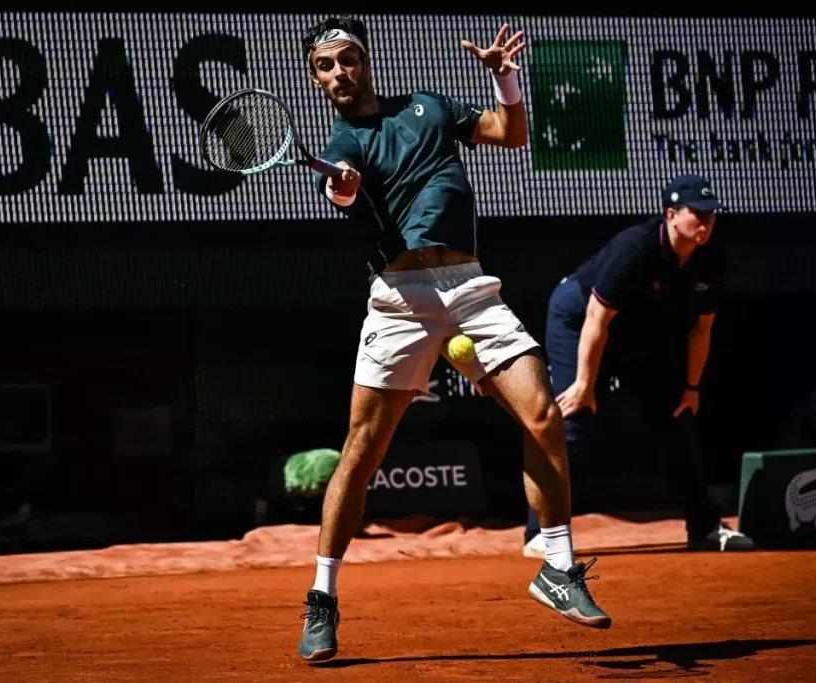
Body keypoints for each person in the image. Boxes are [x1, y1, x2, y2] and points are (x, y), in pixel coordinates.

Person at [296, 16, 611, 663]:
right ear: (315, 79)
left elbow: (510, 134)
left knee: (543, 415)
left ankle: (557, 566)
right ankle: (322, 598)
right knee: (362, 450)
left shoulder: (429, 108)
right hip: (399, 301)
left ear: (365, 61)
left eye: (346, 59)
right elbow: (342, 186)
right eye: (325, 66)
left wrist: (505, 82)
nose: (339, 73)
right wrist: (343, 188)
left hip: (469, 288)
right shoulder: (342, 140)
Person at [522, 174, 756, 558]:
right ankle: (542, 532)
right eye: (697, 214)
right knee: (571, 418)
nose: (706, 222)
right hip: (578, 320)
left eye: (711, 215)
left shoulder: (711, 256)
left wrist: (691, 389)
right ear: (671, 215)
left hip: (636, 330)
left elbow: (701, 331)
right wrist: (584, 384)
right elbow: (596, 317)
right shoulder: (635, 247)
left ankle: (705, 527)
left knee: (677, 416)